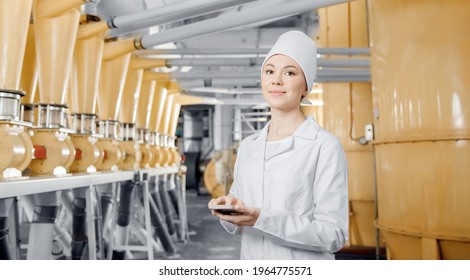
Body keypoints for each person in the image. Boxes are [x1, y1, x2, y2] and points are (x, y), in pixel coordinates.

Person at [208, 30, 348, 260]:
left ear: (306, 86)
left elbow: (333, 234)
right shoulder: (249, 146)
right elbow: (240, 202)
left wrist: (261, 218)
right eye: (269, 71)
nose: (276, 80)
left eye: (290, 72)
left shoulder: (324, 146)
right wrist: (229, 206)